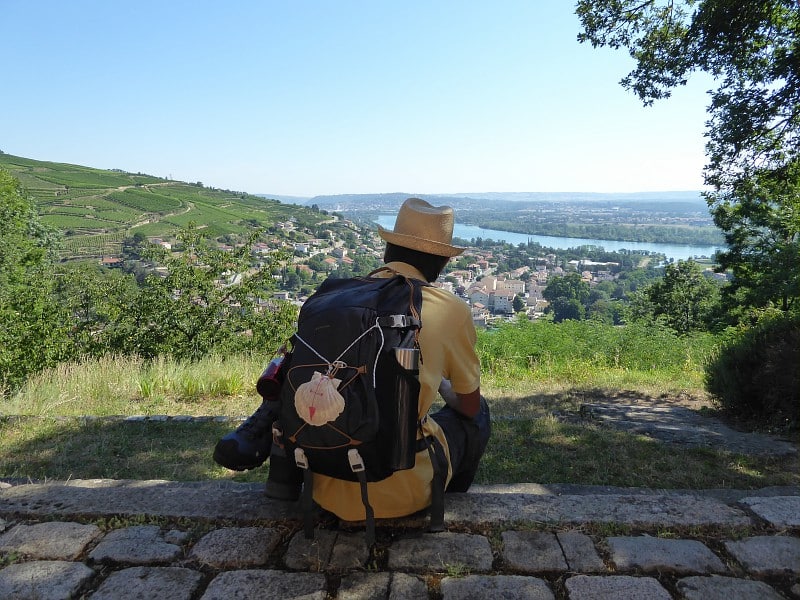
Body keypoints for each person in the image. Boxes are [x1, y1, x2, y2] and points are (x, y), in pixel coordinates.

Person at [214, 197, 491, 521]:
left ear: (388, 250)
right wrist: (441, 385)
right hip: (404, 494)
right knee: (479, 413)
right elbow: (468, 406)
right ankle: (448, 499)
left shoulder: (329, 297)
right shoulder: (449, 310)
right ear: (442, 262)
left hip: (322, 488)